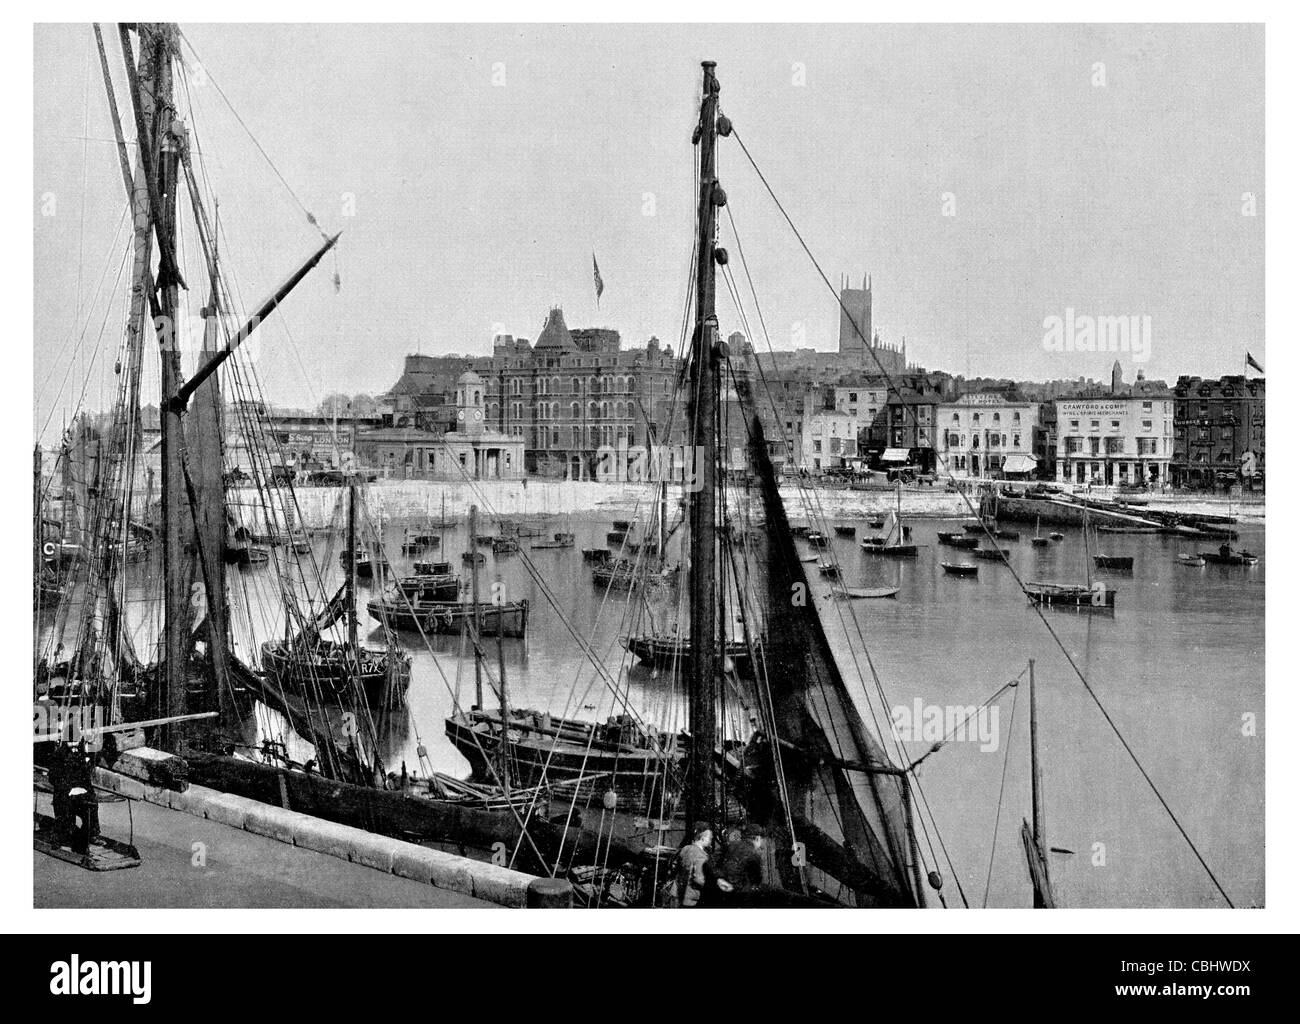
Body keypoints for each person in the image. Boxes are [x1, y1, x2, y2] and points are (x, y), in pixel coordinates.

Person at [675, 825, 732, 907]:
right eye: (710, 838)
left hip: (678, 894)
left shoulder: (685, 849)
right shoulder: (701, 856)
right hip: (692, 899)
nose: (711, 839)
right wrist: (717, 884)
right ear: (702, 838)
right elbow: (699, 879)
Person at [719, 823, 767, 896]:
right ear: (757, 838)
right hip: (740, 893)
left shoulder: (733, 846)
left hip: (724, 889)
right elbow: (756, 881)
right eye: (761, 840)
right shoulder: (753, 854)